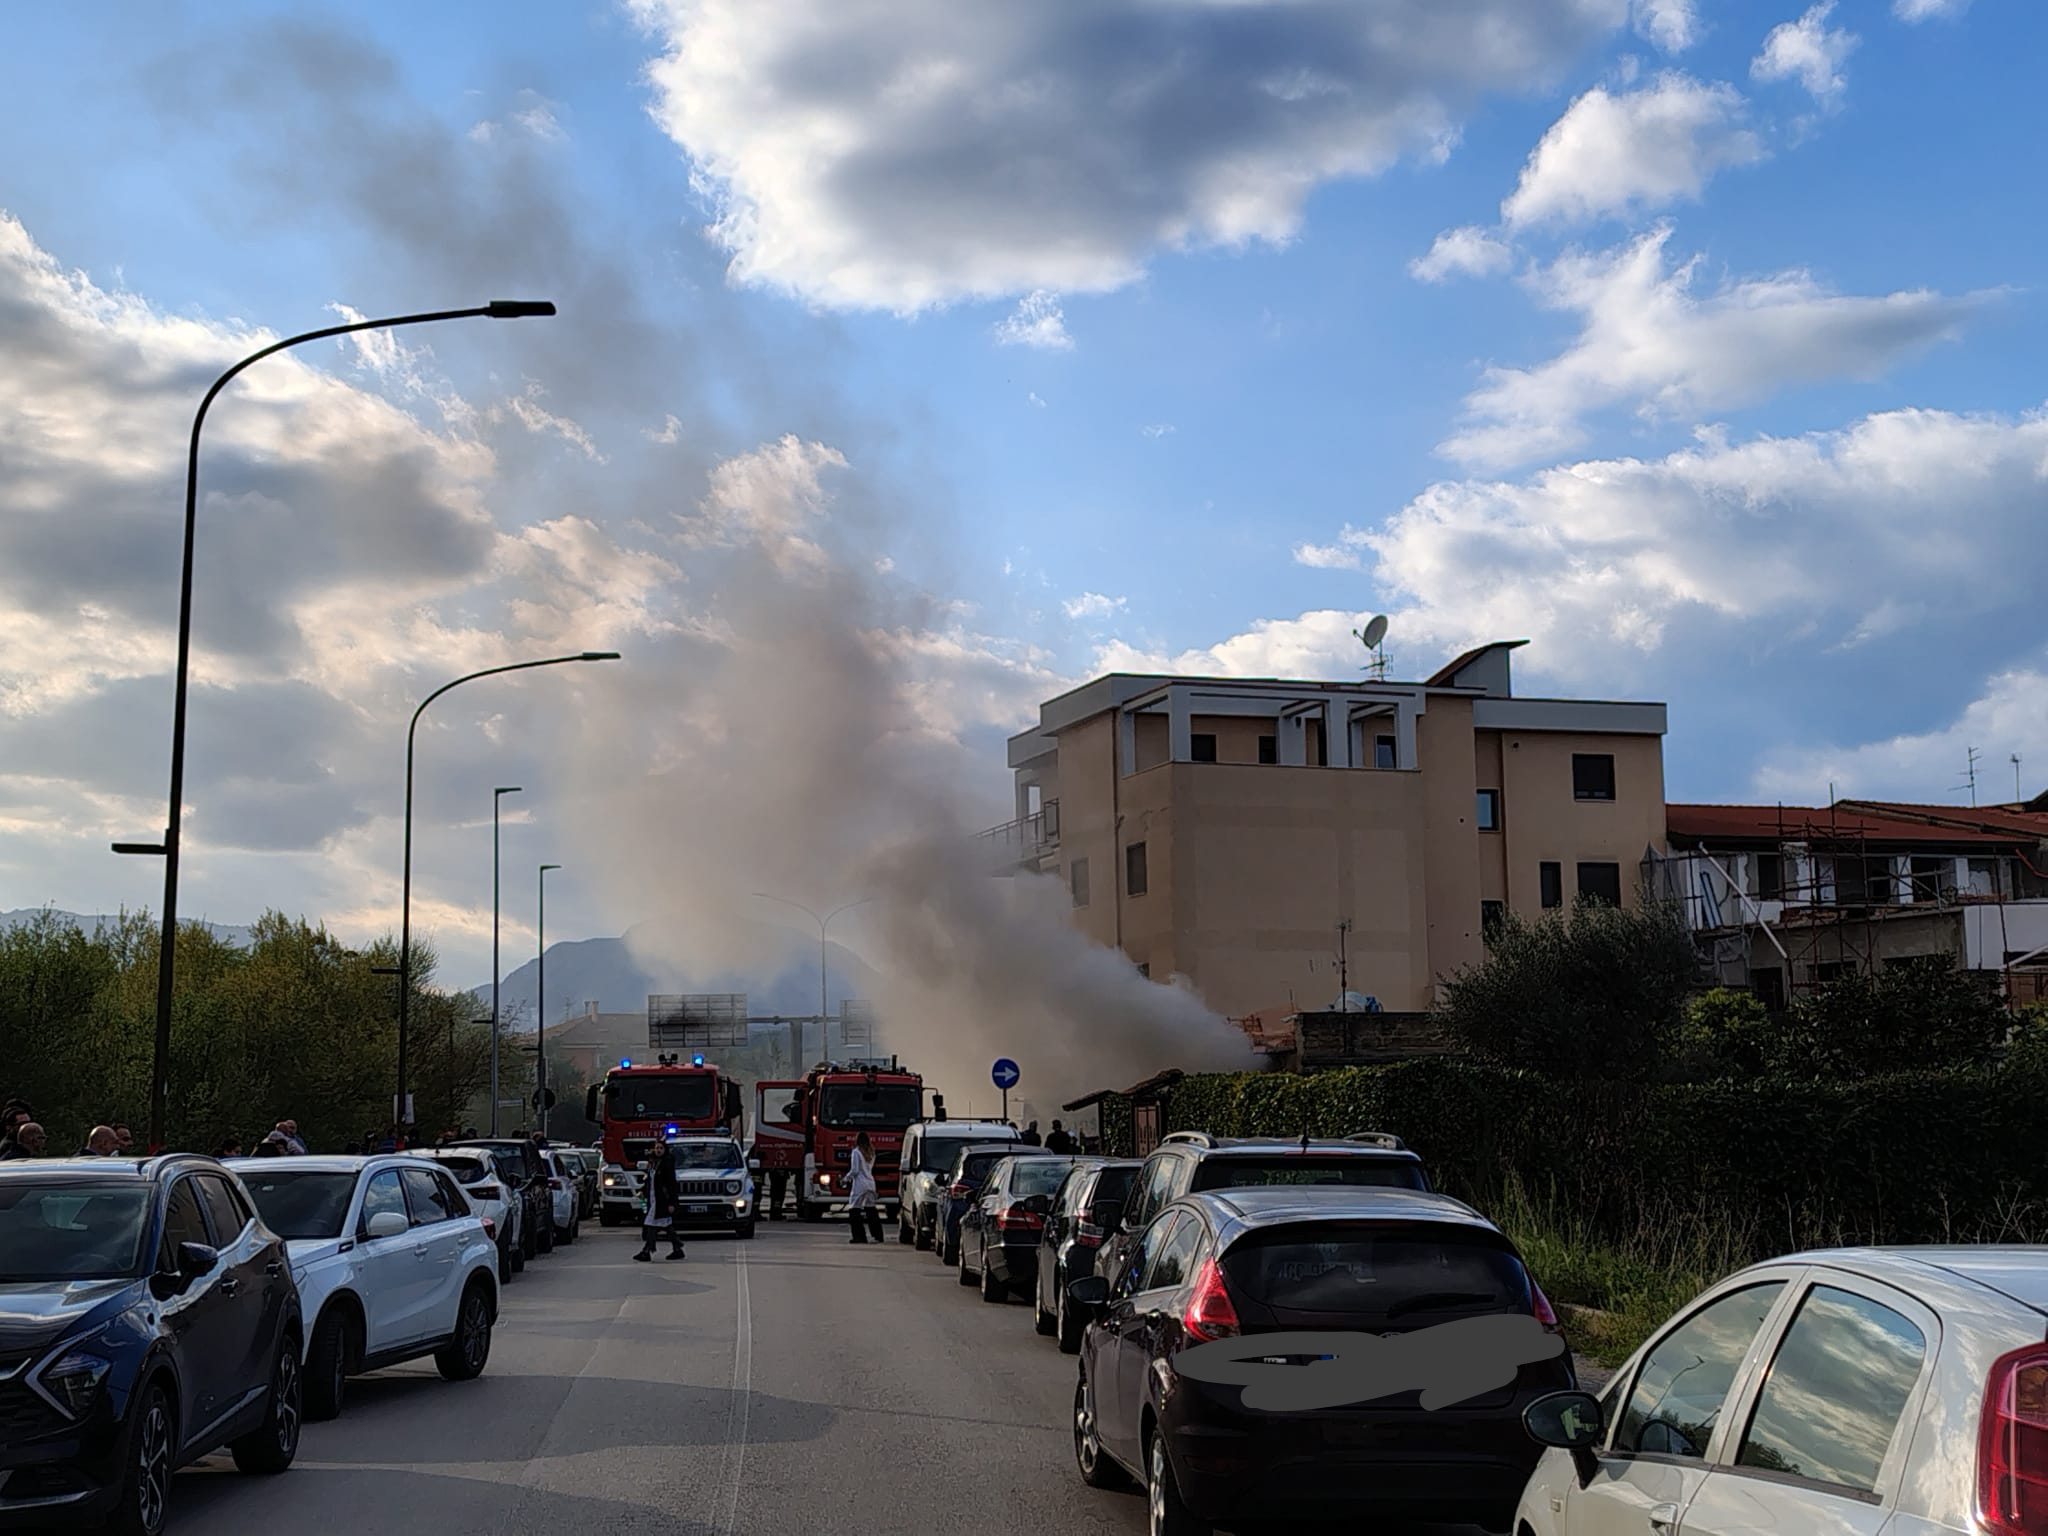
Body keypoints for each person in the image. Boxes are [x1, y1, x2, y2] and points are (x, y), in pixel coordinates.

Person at [635, 1140, 685, 1261]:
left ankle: (647, 1251)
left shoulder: (667, 1163)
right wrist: (642, 1190)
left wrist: (672, 1203)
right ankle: (677, 1248)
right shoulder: (652, 1162)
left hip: (662, 1200)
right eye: (657, 1148)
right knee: (665, 1225)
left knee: (651, 1224)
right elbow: (649, 1180)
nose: (658, 1150)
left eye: (661, 1148)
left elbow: (671, 1184)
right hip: (653, 1199)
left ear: (665, 1150)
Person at [845, 1131, 884, 1244]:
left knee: (854, 1210)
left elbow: (855, 1170)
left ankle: (859, 1236)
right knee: (871, 1210)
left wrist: (846, 1178)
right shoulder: (871, 1152)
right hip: (871, 1183)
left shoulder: (856, 1152)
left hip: (860, 1184)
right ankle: (878, 1235)